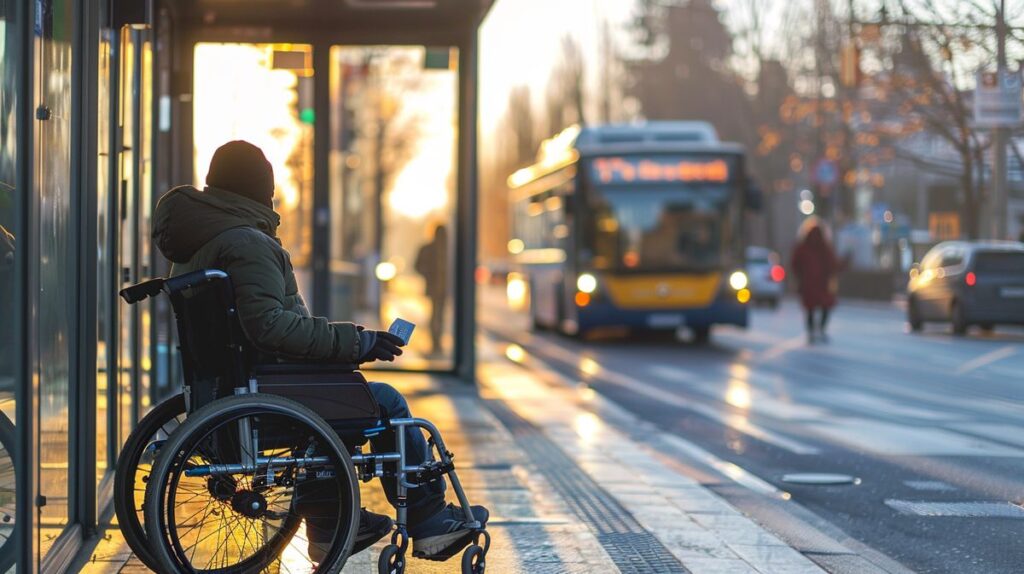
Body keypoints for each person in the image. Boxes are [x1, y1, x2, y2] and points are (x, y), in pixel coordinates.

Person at [152, 140, 488, 562]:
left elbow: (262, 326)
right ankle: (428, 518)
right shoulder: (246, 242)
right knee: (383, 402)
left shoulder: (199, 243)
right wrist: (358, 342)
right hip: (268, 388)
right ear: (257, 190)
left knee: (340, 398)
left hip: (235, 387)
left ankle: (330, 524)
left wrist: (350, 344)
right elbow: (271, 327)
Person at [791, 217, 842, 343]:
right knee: (825, 307)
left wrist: (799, 278)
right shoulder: (824, 247)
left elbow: (795, 264)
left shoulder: (802, 247)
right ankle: (821, 329)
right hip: (822, 284)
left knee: (810, 309)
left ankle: (812, 332)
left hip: (808, 284)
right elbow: (833, 265)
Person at [415, 224, 448, 355]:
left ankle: (437, 341)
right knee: (436, 315)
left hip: (442, 288)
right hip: (437, 288)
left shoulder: (446, 251)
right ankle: (435, 342)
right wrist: (429, 274)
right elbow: (418, 266)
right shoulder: (431, 249)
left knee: (438, 314)